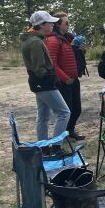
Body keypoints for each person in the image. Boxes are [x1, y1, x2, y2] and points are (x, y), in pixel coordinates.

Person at [21, 11, 71, 141]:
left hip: (38, 83)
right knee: (64, 113)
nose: (53, 25)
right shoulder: (35, 42)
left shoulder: (33, 40)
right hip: (44, 83)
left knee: (43, 116)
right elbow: (39, 68)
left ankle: (43, 148)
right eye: (50, 23)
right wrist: (51, 79)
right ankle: (56, 146)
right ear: (42, 25)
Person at [45, 12, 85, 141]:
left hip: (73, 79)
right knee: (66, 110)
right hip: (63, 81)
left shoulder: (67, 38)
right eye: (66, 23)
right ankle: (63, 134)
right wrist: (64, 78)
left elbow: (70, 56)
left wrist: (80, 50)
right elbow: (52, 63)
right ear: (58, 24)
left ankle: (70, 130)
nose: (68, 25)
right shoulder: (53, 40)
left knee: (76, 108)